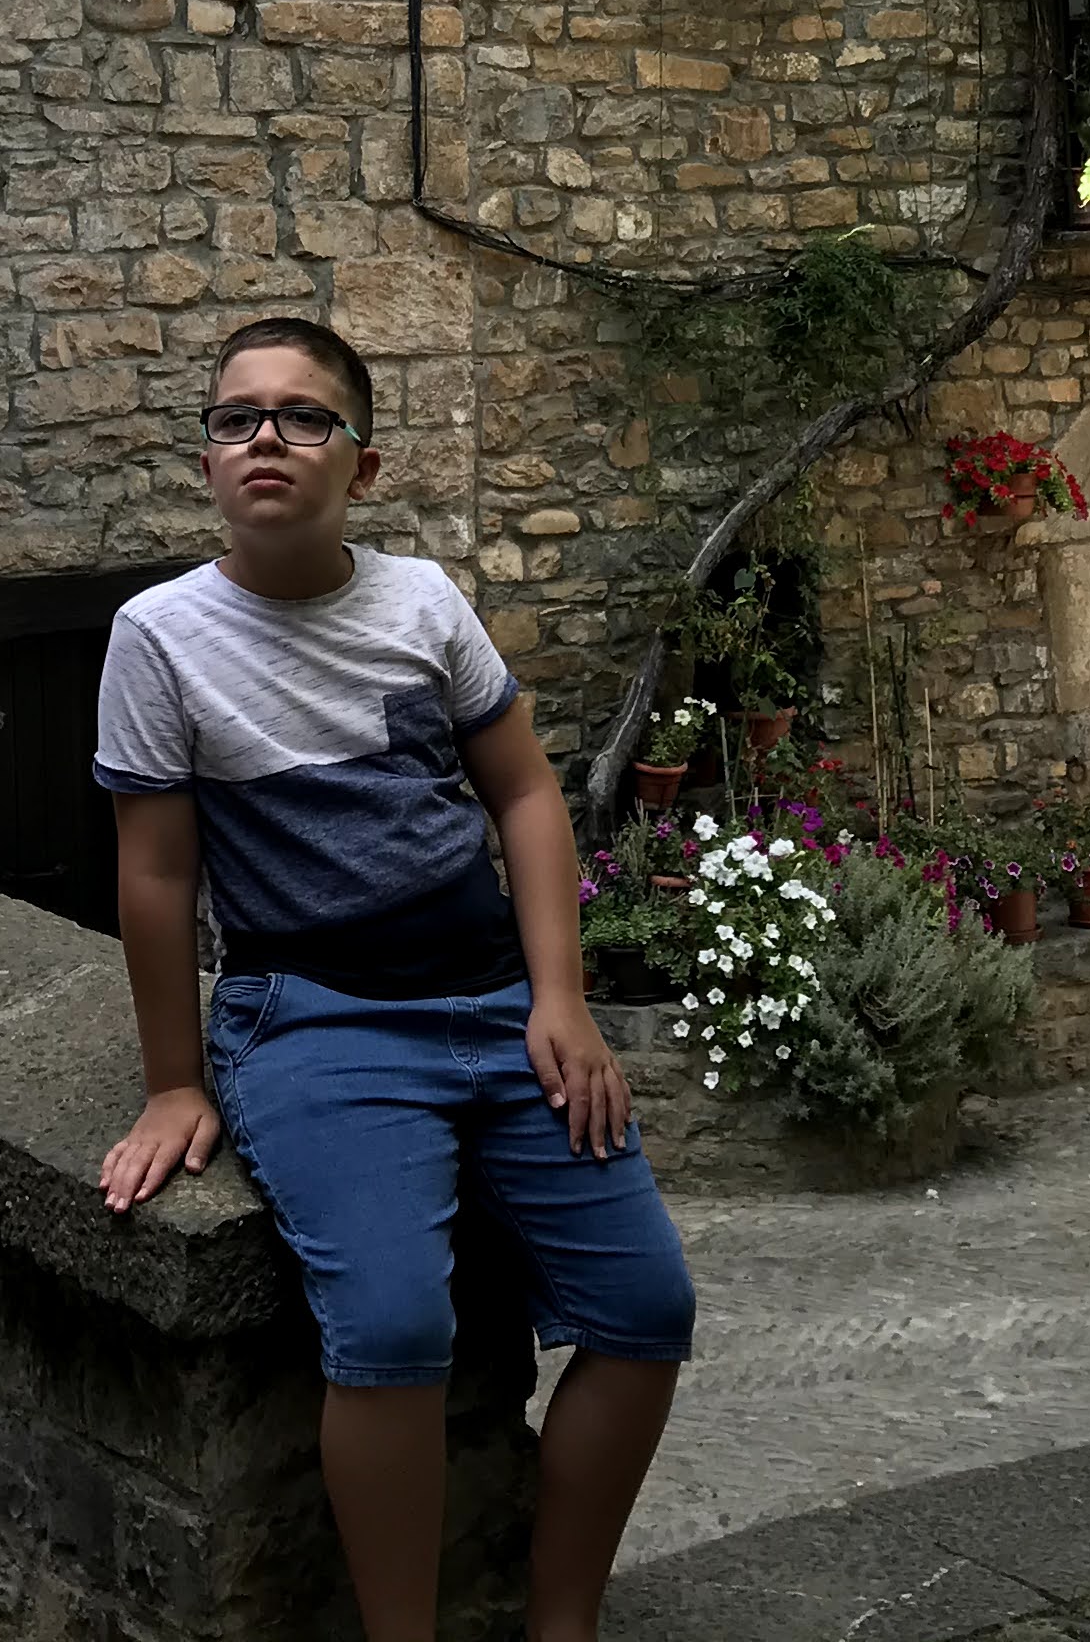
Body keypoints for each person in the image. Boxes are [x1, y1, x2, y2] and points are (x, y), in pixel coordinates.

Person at [92, 314, 691, 1642]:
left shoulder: (421, 602)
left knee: (647, 1308)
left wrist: (561, 997)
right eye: (236, 417)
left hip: (496, 1004)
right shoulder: (160, 636)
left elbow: (525, 795)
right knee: (392, 1329)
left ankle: (563, 1626)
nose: (265, 436)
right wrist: (175, 1081)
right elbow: (157, 876)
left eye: (303, 416)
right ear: (208, 459)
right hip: (316, 1022)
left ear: (360, 466)